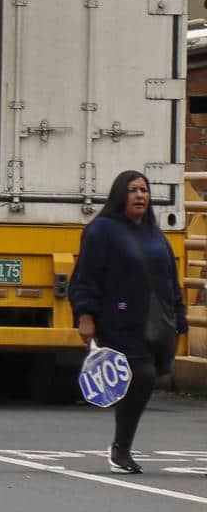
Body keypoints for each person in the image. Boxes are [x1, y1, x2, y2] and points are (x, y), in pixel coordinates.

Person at [70, 168, 186, 475]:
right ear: (120, 194)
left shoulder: (154, 234)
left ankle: (121, 444)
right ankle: (121, 448)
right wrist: (85, 316)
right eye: (133, 190)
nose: (140, 196)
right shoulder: (101, 231)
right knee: (143, 375)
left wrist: (180, 316)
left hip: (153, 322)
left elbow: (170, 280)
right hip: (116, 320)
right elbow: (85, 278)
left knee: (143, 377)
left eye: (144, 191)